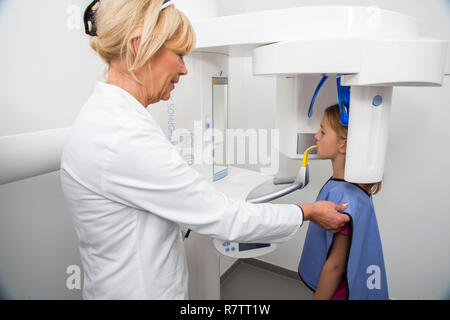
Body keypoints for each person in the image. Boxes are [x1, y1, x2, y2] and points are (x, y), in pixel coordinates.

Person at [60, 0, 349, 299]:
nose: (185, 69)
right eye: (180, 54)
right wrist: (308, 211)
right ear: (139, 47)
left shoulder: (105, 116)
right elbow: (225, 218)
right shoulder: (124, 135)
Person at [298, 104, 389, 300]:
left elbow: (336, 265)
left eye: (322, 131)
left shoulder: (345, 199)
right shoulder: (352, 186)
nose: (316, 136)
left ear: (344, 145)